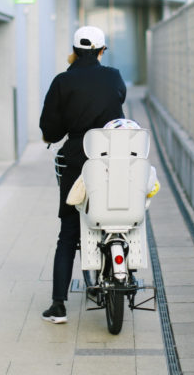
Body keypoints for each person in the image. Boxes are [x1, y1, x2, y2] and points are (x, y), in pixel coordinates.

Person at [38, 25, 126, 323]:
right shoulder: (113, 76)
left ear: (74, 51)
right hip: (113, 160)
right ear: (102, 51)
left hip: (77, 162)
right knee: (118, 217)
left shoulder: (63, 80)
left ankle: (58, 305)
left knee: (69, 232)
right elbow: (119, 102)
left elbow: (50, 129)